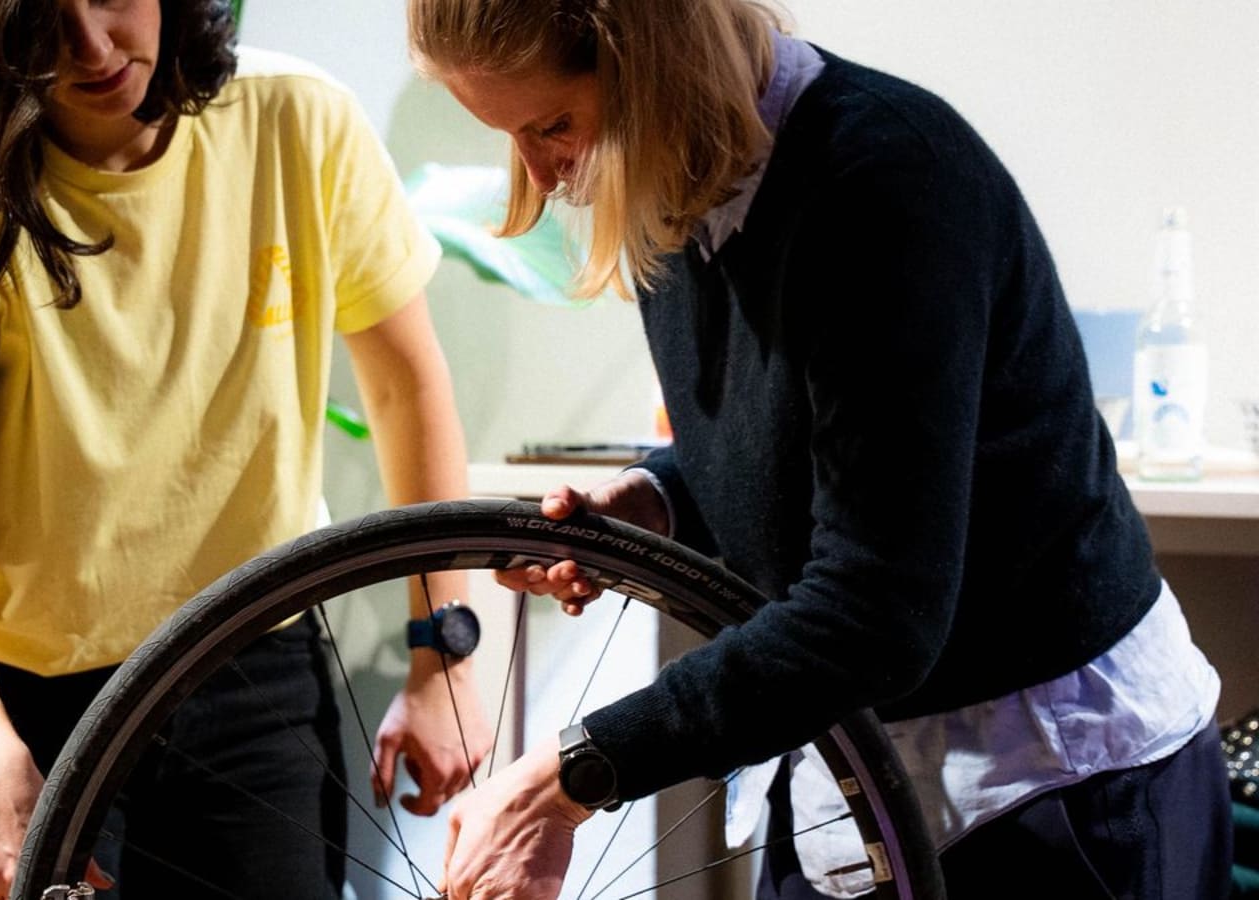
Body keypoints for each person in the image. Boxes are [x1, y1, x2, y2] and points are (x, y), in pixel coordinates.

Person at [407, 1, 1233, 898]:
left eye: (554, 123)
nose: (542, 170)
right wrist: (655, 499)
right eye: (511, 135)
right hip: (858, 761)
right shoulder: (675, 185)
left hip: (1055, 779)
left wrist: (572, 776)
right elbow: (823, 448)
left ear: (651, 55)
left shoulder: (883, 181)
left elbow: (876, 613)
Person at [0, 1, 492, 897]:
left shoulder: (293, 119)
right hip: (22, 696)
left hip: (251, 674)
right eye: (38, 17)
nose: (93, 46)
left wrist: (444, 656)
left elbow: (404, 388)